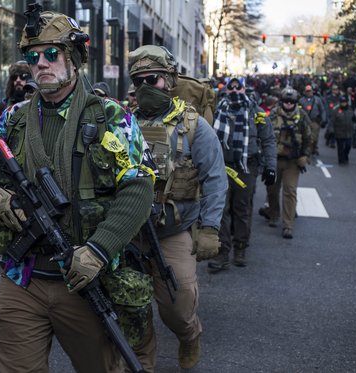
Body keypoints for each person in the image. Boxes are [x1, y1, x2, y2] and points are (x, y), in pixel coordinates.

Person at [0, 8, 155, 373]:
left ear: (74, 58)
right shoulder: (13, 117)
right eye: (32, 56)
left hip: (85, 278)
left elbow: (138, 189)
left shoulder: (112, 117)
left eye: (52, 54)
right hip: (22, 277)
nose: (41, 64)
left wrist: (99, 250)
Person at [128, 45, 228, 369]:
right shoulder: (121, 122)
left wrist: (210, 228)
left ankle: (190, 334)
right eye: (138, 80)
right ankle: (143, 361)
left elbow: (215, 179)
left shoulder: (194, 126)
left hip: (174, 230)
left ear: (169, 80)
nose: (145, 87)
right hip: (127, 231)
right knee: (132, 304)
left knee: (178, 304)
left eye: (152, 79)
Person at [208, 77, 276, 271]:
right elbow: (203, 138)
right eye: (231, 87)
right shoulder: (216, 111)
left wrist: (271, 167)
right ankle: (222, 252)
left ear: (245, 89)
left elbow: (269, 140)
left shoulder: (257, 112)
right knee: (221, 210)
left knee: (242, 208)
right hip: (221, 166)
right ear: (227, 90)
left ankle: (240, 248)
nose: (235, 90)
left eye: (239, 87)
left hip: (246, 167)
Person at [259, 87, 311, 239]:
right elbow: (264, 135)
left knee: (290, 191)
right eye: (286, 101)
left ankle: (288, 224)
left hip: (293, 162)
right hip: (274, 159)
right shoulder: (273, 114)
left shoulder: (302, 116)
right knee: (272, 190)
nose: (288, 104)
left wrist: (305, 156)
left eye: (292, 102)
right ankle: (273, 214)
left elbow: (309, 138)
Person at [0, 60, 31, 137]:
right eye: (14, 77)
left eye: (23, 76)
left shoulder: (38, 104)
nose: (18, 80)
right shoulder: (3, 106)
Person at [298, 85, 326, 156]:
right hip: (305, 121)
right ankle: (307, 149)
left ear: (312, 91)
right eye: (307, 91)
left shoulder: (317, 100)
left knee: (314, 136)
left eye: (310, 91)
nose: (308, 93)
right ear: (305, 92)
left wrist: (323, 119)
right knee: (306, 135)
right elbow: (298, 110)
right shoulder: (301, 100)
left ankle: (314, 148)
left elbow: (322, 110)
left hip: (315, 121)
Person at [331, 95, 356, 165]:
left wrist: (354, 127)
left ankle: (345, 155)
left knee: (348, 145)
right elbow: (332, 121)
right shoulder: (335, 110)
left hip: (349, 131)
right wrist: (332, 131)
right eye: (342, 102)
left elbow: (354, 119)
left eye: (345, 102)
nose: (344, 103)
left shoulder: (350, 109)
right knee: (340, 147)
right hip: (339, 131)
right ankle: (341, 160)